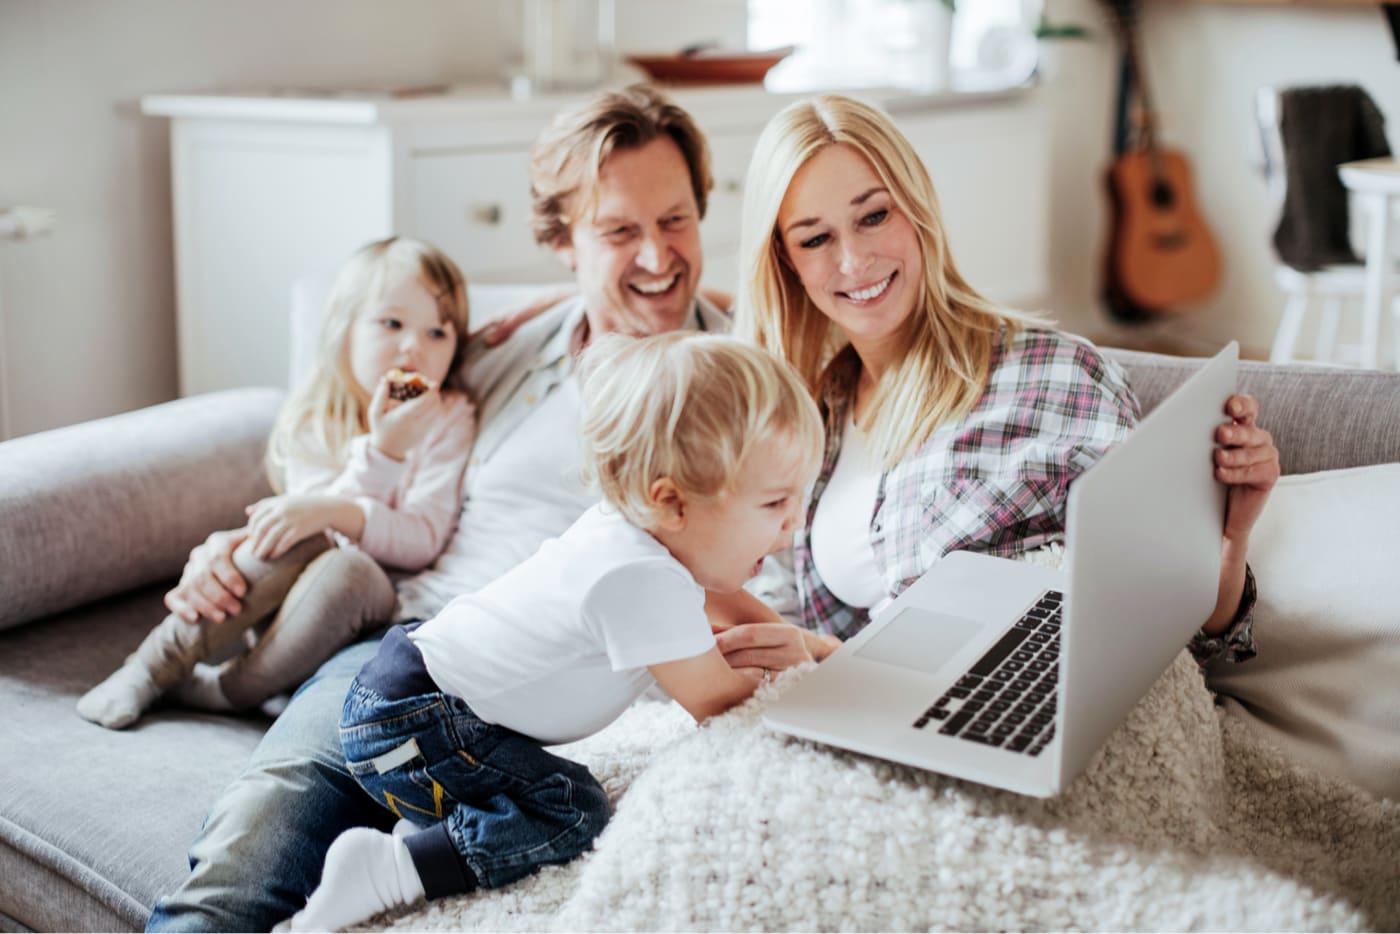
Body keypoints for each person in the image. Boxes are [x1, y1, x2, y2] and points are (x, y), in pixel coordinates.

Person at [147, 84, 739, 932]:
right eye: (619, 230)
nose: (657, 256)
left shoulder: (741, 381)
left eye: (676, 221)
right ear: (560, 241)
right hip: (411, 657)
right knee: (248, 867)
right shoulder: (502, 354)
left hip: (566, 702)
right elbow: (369, 448)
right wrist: (242, 545)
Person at [277, 332, 823, 932]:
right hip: (414, 723)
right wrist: (805, 674)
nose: (795, 525)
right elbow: (721, 702)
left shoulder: (646, 538)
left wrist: (809, 647)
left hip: (413, 700)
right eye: (775, 504)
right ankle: (387, 869)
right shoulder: (639, 577)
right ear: (671, 503)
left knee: (535, 788)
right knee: (572, 809)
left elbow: (726, 600)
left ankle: (442, 825)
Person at [718, 93, 1279, 667]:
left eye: (874, 216)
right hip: (877, 709)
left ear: (917, 209)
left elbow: (1179, 629)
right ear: (787, 260)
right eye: (815, 239)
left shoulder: (1054, 375)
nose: (854, 261)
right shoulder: (807, 419)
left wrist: (1229, 541)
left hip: (1041, 697)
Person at [77, 236, 475, 730]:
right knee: (293, 528)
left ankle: (226, 691)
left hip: (365, 607)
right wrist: (325, 510)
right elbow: (311, 530)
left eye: (439, 332)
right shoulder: (315, 415)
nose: (413, 346)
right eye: (391, 323)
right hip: (284, 610)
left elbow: (421, 539)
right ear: (342, 331)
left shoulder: (449, 419)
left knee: (349, 565)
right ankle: (152, 665)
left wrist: (384, 455)